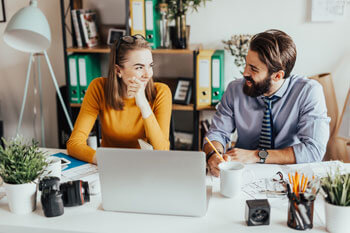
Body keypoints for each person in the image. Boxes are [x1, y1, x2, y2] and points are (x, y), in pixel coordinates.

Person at [204, 29, 330, 177]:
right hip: (242, 173)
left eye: (253, 69)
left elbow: (314, 150)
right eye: (246, 64)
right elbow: (217, 132)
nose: (244, 73)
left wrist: (256, 155)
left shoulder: (308, 92)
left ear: (277, 76)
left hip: (289, 176)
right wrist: (214, 154)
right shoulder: (235, 89)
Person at [67, 35, 172, 164]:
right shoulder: (98, 88)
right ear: (118, 70)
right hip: (108, 166)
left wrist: (144, 105)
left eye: (150, 65)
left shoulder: (161, 92)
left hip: (144, 167)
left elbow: (162, 151)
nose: (147, 74)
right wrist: (105, 161)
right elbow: (74, 143)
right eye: (139, 67)